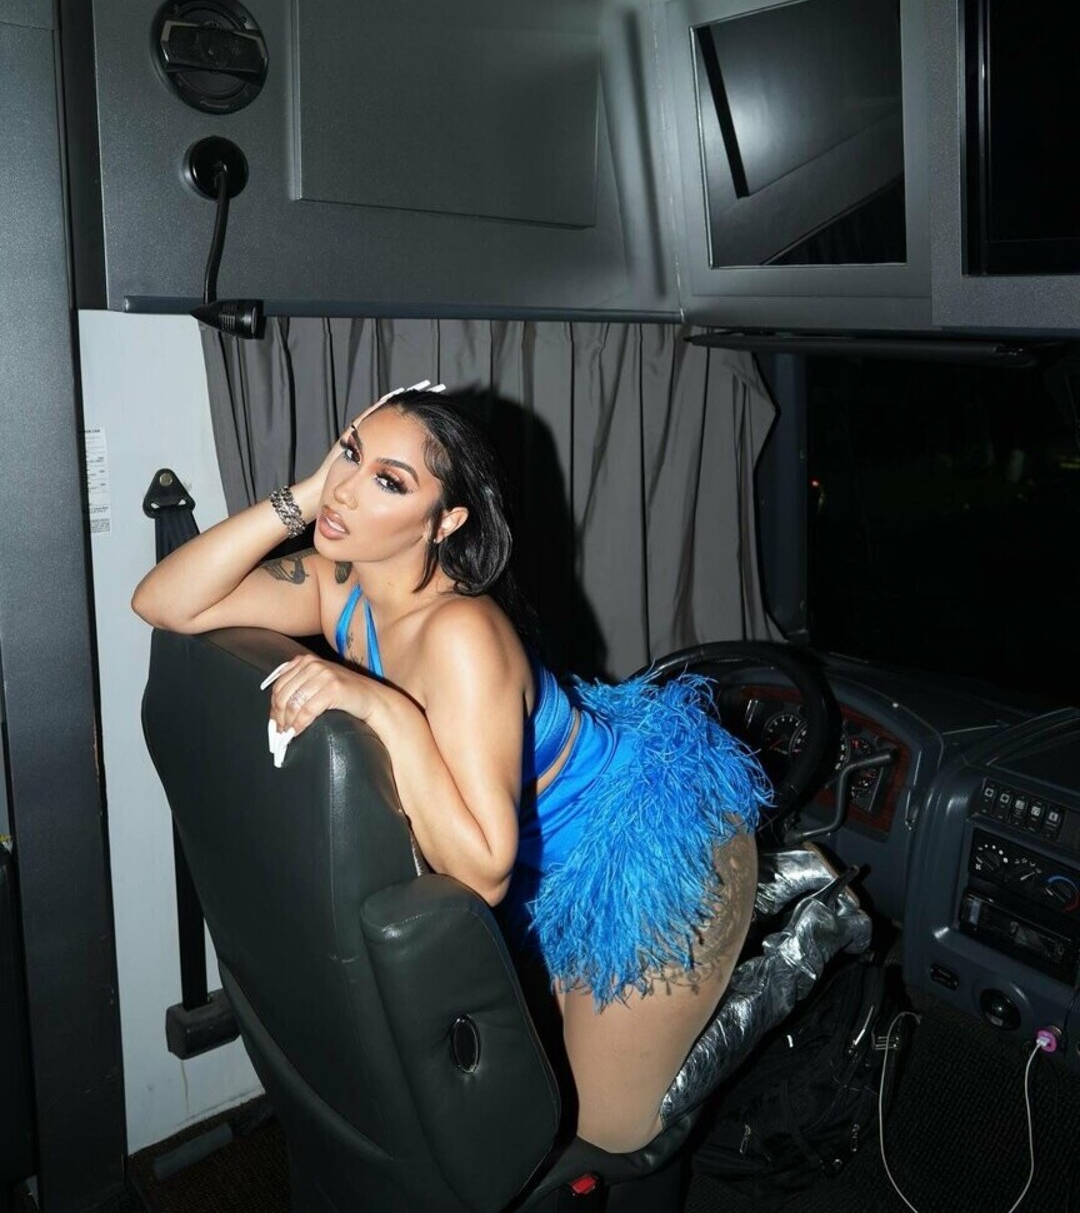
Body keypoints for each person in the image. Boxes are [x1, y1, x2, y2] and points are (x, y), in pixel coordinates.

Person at [132, 383, 770, 1154]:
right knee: (546, 1078)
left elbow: (484, 874)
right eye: (351, 454)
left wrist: (387, 710)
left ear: (446, 521)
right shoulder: (341, 586)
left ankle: (790, 953)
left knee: (608, 1129)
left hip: (656, 857)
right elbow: (163, 601)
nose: (347, 489)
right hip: (541, 866)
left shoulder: (461, 636)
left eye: (388, 481)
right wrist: (306, 493)